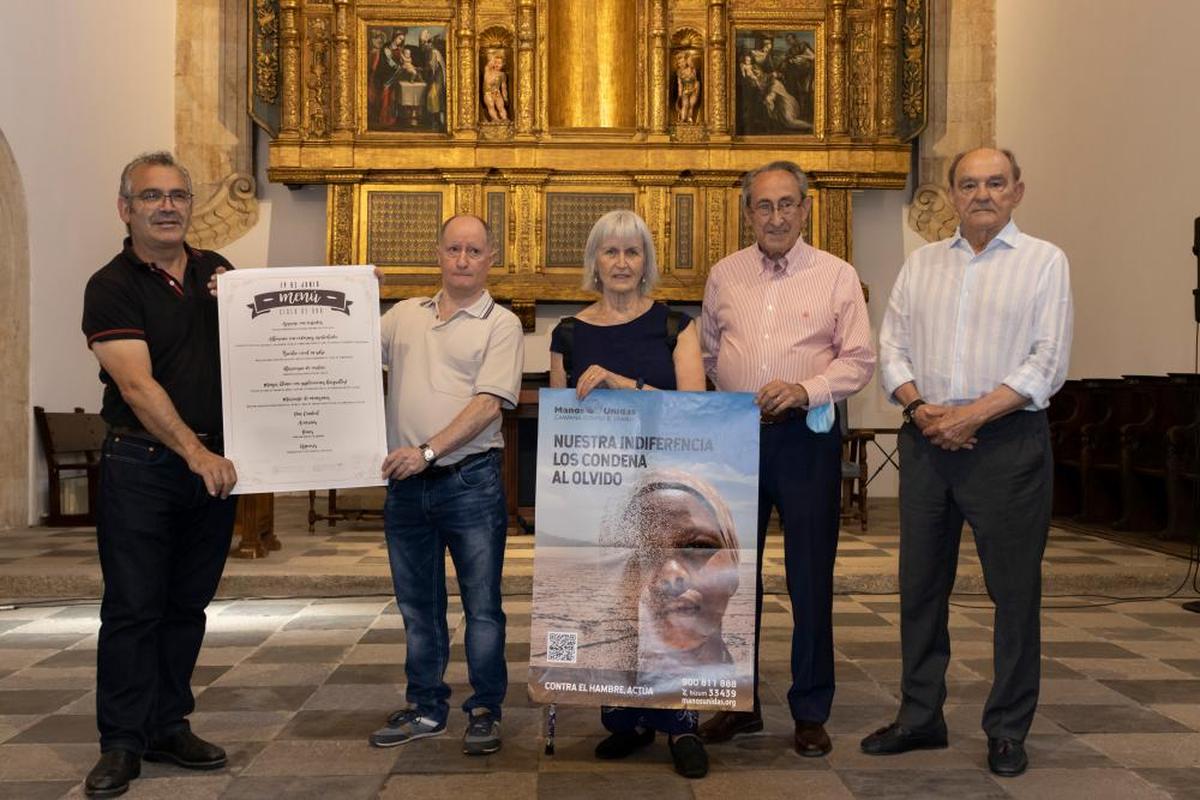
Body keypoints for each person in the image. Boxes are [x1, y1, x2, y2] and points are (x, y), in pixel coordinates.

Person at [864, 147, 1072, 778]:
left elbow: (1048, 360)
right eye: (969, 184)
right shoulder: (922, 264)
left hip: (1006, 446)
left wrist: (972, 414)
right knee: (921, 589)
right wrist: (924, 408)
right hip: (928, 442)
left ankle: (1007, 728)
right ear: (951, 195)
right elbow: (891, 346)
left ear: (1017, 191)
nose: (981, 194)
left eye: (995, 183)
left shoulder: (1044, 262)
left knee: (1014, 595)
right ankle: (920, 716)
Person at [699, 160, 875, 757]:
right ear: (748, 213)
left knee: (808, 578)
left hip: (804, 439)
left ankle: (809, 709)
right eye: (763, 206)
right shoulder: (724, 275)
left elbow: (858, 359)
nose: (775, 216)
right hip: (737, 441)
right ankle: (737, 704)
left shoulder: (836, 275)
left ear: (804, 209)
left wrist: (806, 389)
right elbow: (707, 353)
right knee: (731, 579)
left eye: (786, 204)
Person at [80, 151, 239, 798]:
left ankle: (167, 724)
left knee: (186, 607)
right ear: (126, 209)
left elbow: (272, 345)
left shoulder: (217, 273)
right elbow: (137, 386)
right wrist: (195, 454)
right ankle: (120, 742)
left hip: (212, 470)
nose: (167, 206)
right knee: (133, 608)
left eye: (177, 195)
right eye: (151, 197)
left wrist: (345, 300)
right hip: (144, 465)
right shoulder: (111, 285)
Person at [548, 209, 709, 778]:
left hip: (669, 492)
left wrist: (625, 385)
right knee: (615, 606)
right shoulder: (567, 333)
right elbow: (562, 429)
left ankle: (681, 725)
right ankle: (630, 720)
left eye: (632, 252)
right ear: (594, 261)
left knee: (671, 603)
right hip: (603, 497)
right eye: (610, 252)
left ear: (646, 263)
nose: (621, 262)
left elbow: (696, 410)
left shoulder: (675, 326)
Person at [369, 214, 523, 757]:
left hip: (470, 481)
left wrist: (428, 450)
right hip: (405, 486)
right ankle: (426, 706)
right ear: (438, 253)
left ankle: (485, 709)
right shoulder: (402, 317)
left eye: (474, 251)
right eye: (454, 248)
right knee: (417, 605)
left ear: (490, 259)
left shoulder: (500, 323)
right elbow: (340, 350)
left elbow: (487, 404)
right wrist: (354, 299)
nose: (462, 259)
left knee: (482, 606)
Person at [482, 49, 510, 123]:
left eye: (499, 63)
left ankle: (504, 118)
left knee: (501, 107)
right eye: (496, 62)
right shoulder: (488, 70)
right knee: (491, 106)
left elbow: (503, 86)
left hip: (497, 93)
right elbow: (490, 63)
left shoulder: (502, 74)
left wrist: (505, 96)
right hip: (488, 93)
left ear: (503, 65)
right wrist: (494, 55)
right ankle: (495, 119)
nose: (497, 64)